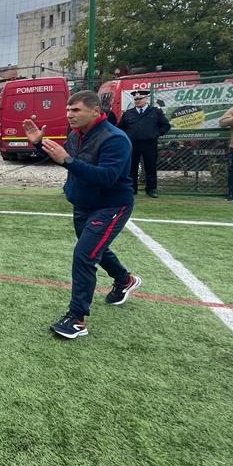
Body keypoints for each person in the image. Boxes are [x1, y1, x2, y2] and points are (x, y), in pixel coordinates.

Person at [22, 90, 141, 339]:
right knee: (95, 250)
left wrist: (68, 161)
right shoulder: (76, 134)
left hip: (111, 206)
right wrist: (38, 143)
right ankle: (124, 280)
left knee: (84, 255)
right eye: (68, 110)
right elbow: (64, 159)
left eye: (75, 110)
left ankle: (76, 319)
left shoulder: (115, 139)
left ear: (95, 111)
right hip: (83, 204)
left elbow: (107, 177)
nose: (69, 115)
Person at [117, 89, 171, 198]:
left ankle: (151, 189)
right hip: (133, 144)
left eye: (140, 99)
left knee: (150, 167)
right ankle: (132, 189)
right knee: (132, 167)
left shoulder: (155, 112)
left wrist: (156, 134)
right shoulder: (128, 113)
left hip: (149, 143)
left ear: (146, 99)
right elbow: (120, 128)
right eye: (136, 99)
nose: (138, 101)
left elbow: (165, 126)